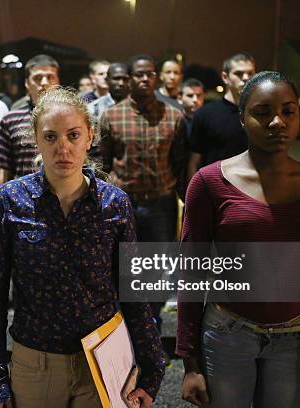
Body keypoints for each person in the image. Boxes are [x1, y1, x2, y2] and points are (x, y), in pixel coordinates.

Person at [0, 86, 167, 408]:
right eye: (50, 137)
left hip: (103, 358)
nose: (63, 147)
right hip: (34, 362)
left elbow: (133, 292)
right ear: (36, 139)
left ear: (90, 137)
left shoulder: (114, 204)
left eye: (73, 135)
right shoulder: (11, 200)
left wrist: (152, 371)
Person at [177, 71, 300, 407]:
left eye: (289, 111)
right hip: (227, 335)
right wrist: (189, 362)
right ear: (242, 119)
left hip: (298, 338)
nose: (277, 122)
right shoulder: (208, 183)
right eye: (263, 112)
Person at [100, 54, 189, 334]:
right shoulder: (111, 116)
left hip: (160, 205)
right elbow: (103, 163)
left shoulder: (173, 116)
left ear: (156, 78)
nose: (144, 79)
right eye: (138, 74)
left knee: (155, 270)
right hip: (122, 205)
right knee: (120, 267)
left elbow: (180, 162)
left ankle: (151, 326)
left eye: (149, 74)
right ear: (129, 78)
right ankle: (123, 329)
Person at [187, 53, 256, 176]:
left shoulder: (261, 114)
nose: (246, 78)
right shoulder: (205, 114)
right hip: (213, 189)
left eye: (250, 73)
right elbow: (193, 162)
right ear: (225, 77)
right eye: (239, 73)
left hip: (250, 190)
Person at [0, 54, 60, 185]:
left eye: (50, 77)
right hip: (22, 200)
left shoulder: (73, 120)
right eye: (37, 78)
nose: (44, 83)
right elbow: (4, 170)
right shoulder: (10, 121)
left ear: (58, 81)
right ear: (27, 83)